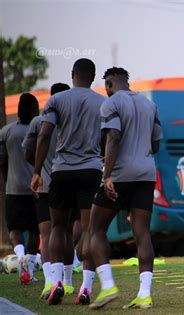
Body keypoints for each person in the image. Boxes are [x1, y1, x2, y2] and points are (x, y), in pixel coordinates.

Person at [31, 58, 105, 305]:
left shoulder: (57, 100)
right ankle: (85, 286)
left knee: (57, 227)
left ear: (73, 74)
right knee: (89, 230)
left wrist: (37, 171)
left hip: (61, 170)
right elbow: (109, 138)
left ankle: (57, 280)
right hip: (91, 170)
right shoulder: (103, 103)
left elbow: (45, 135)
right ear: (93, 77)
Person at [89, 67, 163, 309]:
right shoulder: (149, 105)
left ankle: (108, 285)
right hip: (146, 172)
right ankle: (144, 294)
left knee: (96, 228)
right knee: (142, 232)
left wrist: (107, 175)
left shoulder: (111, 104)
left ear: (109, 84)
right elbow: (155, 143)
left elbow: (113, 138)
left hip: (120, 174)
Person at [22, 83, 70, 298]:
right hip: (68, 184)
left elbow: (28, 153)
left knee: (47, 234)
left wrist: (39, 169)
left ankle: (50, 281)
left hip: (45, 185)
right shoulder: (73, 121)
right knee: (67, 232)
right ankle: (67, 280)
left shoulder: (37, 122)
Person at [0, 93, 40, 285]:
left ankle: (20, 253)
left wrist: (8, 179)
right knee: (35, 230)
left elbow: (2, 161)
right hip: (37, 190)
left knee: (14, 229)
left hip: (13, 189)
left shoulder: (6, 132)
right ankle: (29, 270)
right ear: (34, 109)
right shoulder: (41, 130)